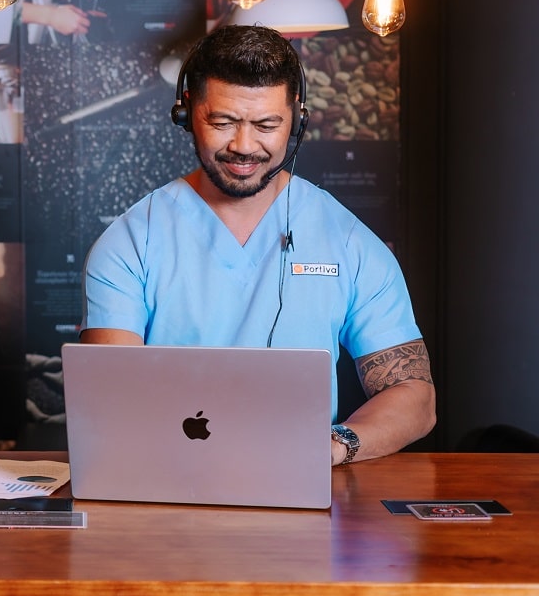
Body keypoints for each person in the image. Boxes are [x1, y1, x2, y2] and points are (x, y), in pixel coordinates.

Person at [80, 25, 435, 466]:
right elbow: (113, 403)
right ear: (186, 112)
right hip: (165, 490)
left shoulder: (347, 239)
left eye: (267, 125)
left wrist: (333, 446)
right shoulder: (129, 242)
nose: (243, 146)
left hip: (301, 492)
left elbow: (414, 396)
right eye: (222, 122)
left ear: (298, 119)